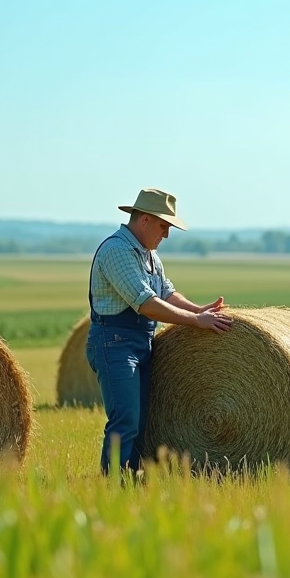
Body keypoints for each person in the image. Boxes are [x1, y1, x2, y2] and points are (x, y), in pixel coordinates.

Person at [86, 188, 233, 475]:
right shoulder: (117, 251)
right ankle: (113, 485)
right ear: (144, 221)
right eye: (164, 226)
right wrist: (195, 321)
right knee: (125, 419)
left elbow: (167, 293)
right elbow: (148, 305)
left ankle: (132, 479)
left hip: (141, 342)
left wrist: (199, 311)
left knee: (141, 422)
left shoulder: (149, 254)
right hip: (114, 343)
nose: (166, 235)